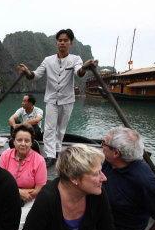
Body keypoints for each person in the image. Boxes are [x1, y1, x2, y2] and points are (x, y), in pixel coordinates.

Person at [19, 144, 115, 230]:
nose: (104, 178)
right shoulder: (48, 199)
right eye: (96, 173)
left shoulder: (98, 195)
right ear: (74, 178)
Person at [18, 28, 98, 168]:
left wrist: (85, 67)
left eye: (65, 40)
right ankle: (50, 155)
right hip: (51, 99)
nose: (62, 43)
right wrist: (26, 72)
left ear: (70, 43)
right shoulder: (48, 60)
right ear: (56, 43)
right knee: (49, 128)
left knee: (61, 129)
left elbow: (79, 72)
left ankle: (56, 150)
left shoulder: (75, 59)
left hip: (67, 100)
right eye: (60, 40)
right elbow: (35, 75)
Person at [0, 123, 47, 230]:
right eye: (19, 140)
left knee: (18, 223)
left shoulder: (39, 161)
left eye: (27, 141)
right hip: (8, 196)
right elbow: (0, 181)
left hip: (29, 198)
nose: (23, 144)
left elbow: (39, 190)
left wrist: (22, 194)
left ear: (31, 142)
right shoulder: (6, 156)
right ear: (14, 141)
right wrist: (18, 192)